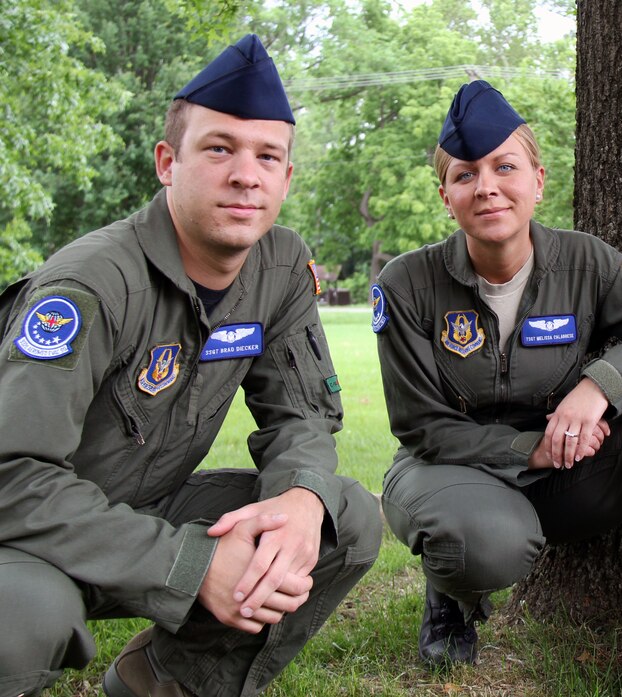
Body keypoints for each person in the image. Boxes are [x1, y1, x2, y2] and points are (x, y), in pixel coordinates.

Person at [0, 34, 382, 697]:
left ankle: (163, 681)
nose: (245, 174)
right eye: (219, 149)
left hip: (147, 504)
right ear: (167, 162)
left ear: (286, 178)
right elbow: (11, 476)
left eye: (267, 156)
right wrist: (189, 562)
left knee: (337, 516)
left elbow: (303, 413)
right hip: (32, 536)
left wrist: (298, 492)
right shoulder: (90, 284)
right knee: (22, 619)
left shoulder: (280, 265)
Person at [372, 80, 622, 697]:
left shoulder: (588, 264)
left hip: (569, 475)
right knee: (489, 543)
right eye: (466, 175)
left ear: (538, 180)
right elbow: (421, 427)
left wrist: (604, 381)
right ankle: (450, 598)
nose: (487, 186)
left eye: (504, 167)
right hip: (449, 471)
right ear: (446, 195)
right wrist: (527, 451)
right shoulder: (407, 283)